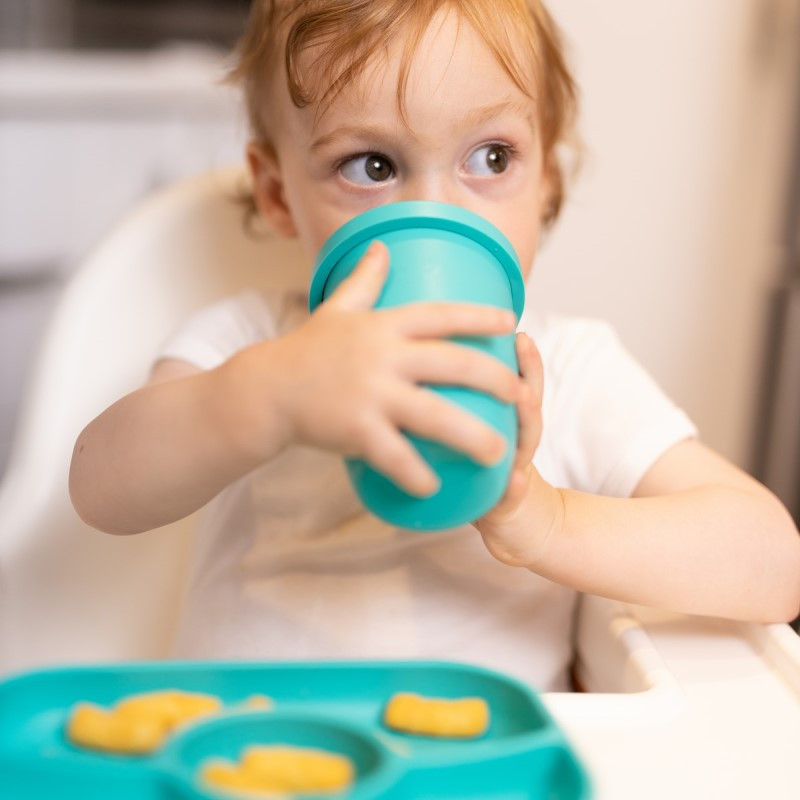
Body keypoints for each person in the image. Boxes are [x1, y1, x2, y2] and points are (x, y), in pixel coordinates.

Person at [69, 0, 800, 691]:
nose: (436, 213)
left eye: (492, 158)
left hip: (482, 752)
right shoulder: (249, 341)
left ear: (546, 178)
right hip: (253, 744)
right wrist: (270, 395)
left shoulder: (573, 368)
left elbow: (774, 562)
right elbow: (100, 489)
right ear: (279, 193)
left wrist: (548, 523)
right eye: (373, 166)